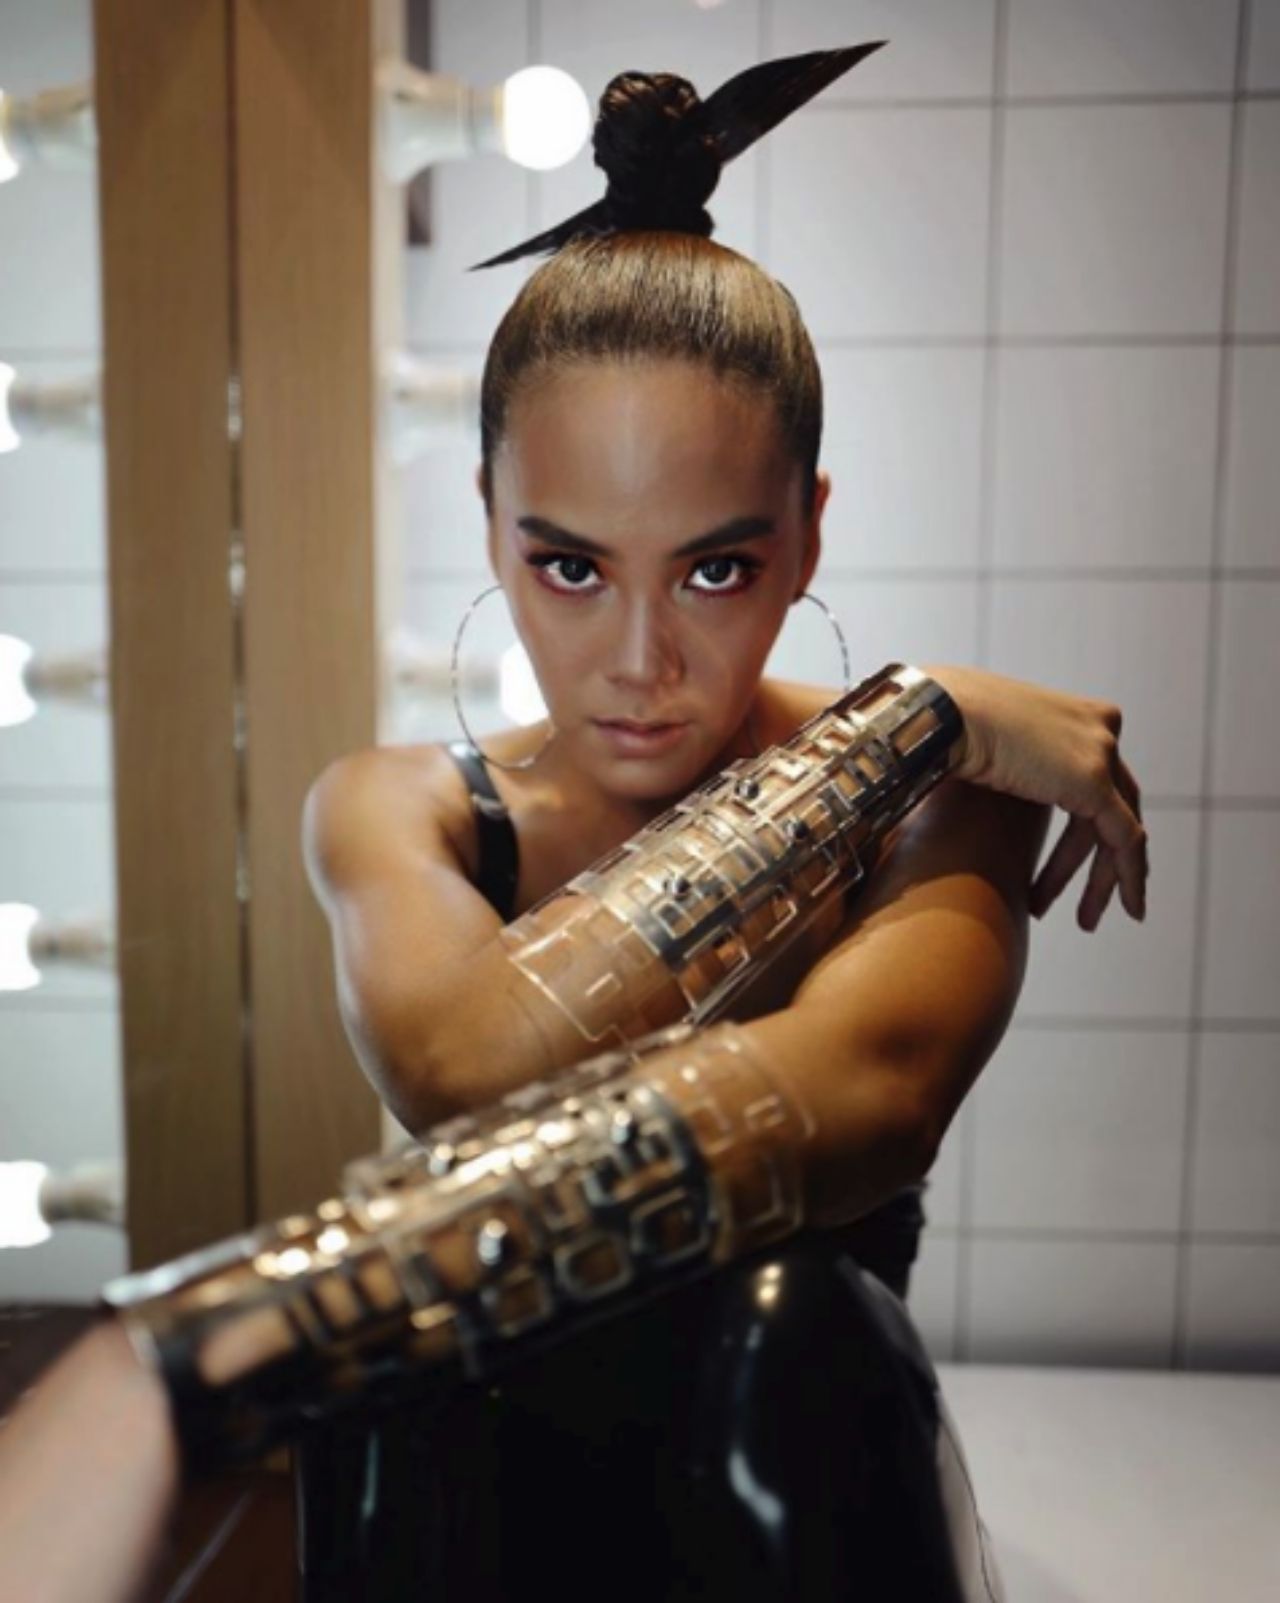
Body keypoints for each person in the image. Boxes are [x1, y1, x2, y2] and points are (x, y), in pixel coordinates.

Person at [0, 46, 1148, 1603]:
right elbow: (467, 1065)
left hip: (804, 1475)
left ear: (811, 530)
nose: (639, 662)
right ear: (489, 520)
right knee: (409, 1392)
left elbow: (878, 1091)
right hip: (483, 1501)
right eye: (571, 566)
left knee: (786, 1318)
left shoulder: (944, 803)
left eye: (718, 569)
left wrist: (227, 1347)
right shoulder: (403, 806)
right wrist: (908, 717)